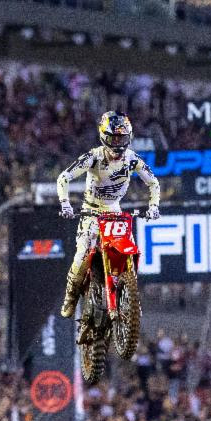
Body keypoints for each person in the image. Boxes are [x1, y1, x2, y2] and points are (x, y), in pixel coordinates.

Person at [56, 111, 161, 319]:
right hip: (91, 211)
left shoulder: (132, 159)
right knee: (82, 254)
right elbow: (64, 177)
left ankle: (128, 293)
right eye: (114, 139)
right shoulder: (93, 157)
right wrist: (65, 203)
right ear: (104, 137)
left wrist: (154, 206)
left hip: (115, 211)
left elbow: (153, 182)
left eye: (122, 138)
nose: (118, 144)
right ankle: (71, 295)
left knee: (130, 249)